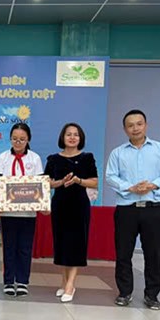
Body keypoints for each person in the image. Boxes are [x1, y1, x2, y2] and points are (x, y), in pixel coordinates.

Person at [106, 109, 160, 310]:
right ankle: (124, 292)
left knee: (153, 254)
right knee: (123, 253)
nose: (135, 128)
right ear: (125, 129)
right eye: (130, 125)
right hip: (126, 209)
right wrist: (130, 187)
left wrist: (152, 185)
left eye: (139, 124)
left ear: (146, 125)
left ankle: (152, 295)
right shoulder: (118, 153)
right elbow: (110, 176)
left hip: (152, 210)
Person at [45, 123, 98, 303]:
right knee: (62, 244)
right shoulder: (53, 159)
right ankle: (64, 281)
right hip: (60, 205)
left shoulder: (87, 158)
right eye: (69, 134)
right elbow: (47, 182)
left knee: (76, 244)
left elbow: (94, 182)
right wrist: (61, 182)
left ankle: (71, 285)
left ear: (80, 138)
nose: (72, 137)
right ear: (63, 137)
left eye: (76, 134)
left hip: (79, 205)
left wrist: (78, 180)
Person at [0, 122, 43, 297]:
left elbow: (40, 185)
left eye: (22, 139)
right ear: (10, 139)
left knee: (25, 247)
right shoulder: (3, 157)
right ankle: (8, 280)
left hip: (28, 213)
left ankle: (22, 281)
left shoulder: (35, 159)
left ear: (28, 139)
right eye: (14, 139)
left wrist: (42, 204)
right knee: (9, 247)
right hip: (7, 212)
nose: (18, 142)